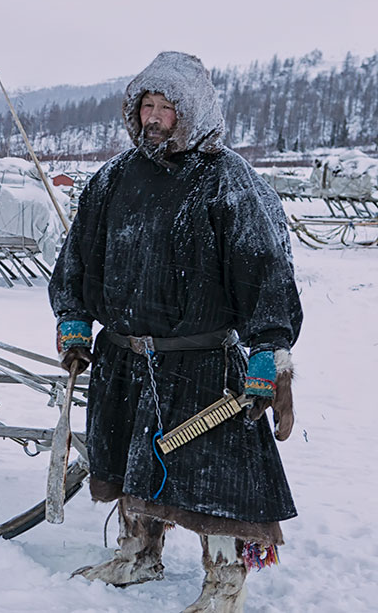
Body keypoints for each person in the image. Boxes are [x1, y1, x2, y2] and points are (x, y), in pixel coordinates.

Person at [48, 52, 302, 612]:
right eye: (147, 106)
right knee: (131, 463)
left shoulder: (228, 179)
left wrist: (269, 349)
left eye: (166, 108)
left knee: (215, 482)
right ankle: (138, 553)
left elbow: (265, 269)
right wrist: (72, 317)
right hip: (124, 356)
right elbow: (79, 257)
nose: (154, 119)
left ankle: (224, 583)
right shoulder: (113, 178)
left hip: (201, 363)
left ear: (193, 113)